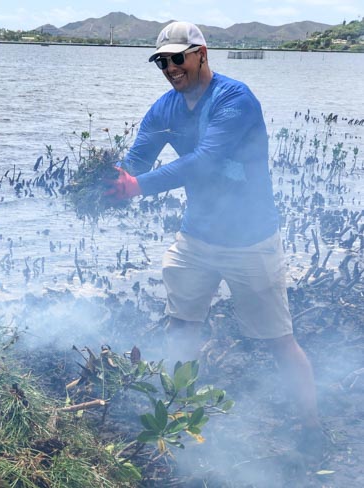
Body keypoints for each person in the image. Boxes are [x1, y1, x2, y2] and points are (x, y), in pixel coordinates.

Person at [104, 21, 324, 459]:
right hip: (197, 237)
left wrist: (139, 187)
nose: (169, 68)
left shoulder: (234, 100)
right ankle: (179, 416)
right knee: (181, 326)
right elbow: (137, 159)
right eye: (161, 61)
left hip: (251, 240)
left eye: (177, 58)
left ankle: (312, 427)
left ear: (201, 53)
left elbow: (205, 161)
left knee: (278, 339)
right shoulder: (163, 110)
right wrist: (112, 181)